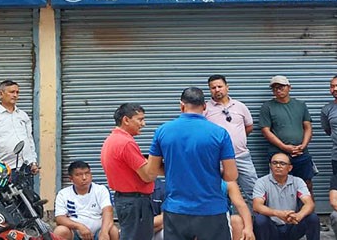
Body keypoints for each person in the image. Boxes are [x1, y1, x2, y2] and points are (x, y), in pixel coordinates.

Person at [146, 87, 239, 240]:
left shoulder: (163, 131)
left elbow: (151, 171)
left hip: (176, 209)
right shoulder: (219, 133)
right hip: (211, 209)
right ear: (204, 106)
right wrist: (210, 171)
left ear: (181, 105)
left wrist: (174, 169)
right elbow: (231, 175)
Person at [101, 103, 156, 240]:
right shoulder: (126, 143)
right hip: (136, 202)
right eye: (140, 119)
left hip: (126, 200)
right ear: (126, 120)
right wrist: (157, 164)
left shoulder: (111, 140)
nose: (143, 124)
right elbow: (147, 176)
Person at [205, 74, 258, 204]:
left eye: (220, 86)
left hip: (241, 156)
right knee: (220, 192)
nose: (217, 90)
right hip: (217, 159)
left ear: (227, 87)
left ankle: (258, 216)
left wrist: (236, 139)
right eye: (213, 88)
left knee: (254, 192)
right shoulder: (205, 109)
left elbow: (249, 127)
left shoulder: (240, 106)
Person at [260, 76, 315, 191]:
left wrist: (303, 145)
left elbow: (308, 127)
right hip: (278, 153)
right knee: (278, 184)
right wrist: (284, 147)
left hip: (301, 152)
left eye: (281, 87)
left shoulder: (300, 105)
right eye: (275, 88)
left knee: (306, 184)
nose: (278, 90)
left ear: (289, 87)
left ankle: (307, 203)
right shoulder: (267, 107)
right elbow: (266, 130)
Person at [152, 179, 253, 240]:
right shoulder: (189, 182)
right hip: (194, 220)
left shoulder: (227, 183)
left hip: (220, 220)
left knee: (237, 221)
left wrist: (249, 228)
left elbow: (241, 205)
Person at [252, 152, 319, 240]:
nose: (278, 166)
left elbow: (309, 204)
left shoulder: (298, 181)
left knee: (312, 218)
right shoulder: (261, 182)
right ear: (270, 166)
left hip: (293, 225)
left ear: (290, 168)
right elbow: (257, 206)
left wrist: (299, 215)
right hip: (272, 227)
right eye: (274, 163)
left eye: (282, 163)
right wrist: (278, 213)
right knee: (260, 220)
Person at [53, 160, 118, 240]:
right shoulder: (63, 194)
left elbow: (108, 212)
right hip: (75, 233)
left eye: (87, 173)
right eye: (79, 175)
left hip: (98, 233)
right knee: (60, 231)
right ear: (71, 178)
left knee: (113, 231)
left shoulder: (101, 190)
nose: (84, 178)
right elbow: (59, 218)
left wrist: (104, 233)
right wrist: (80, 227)